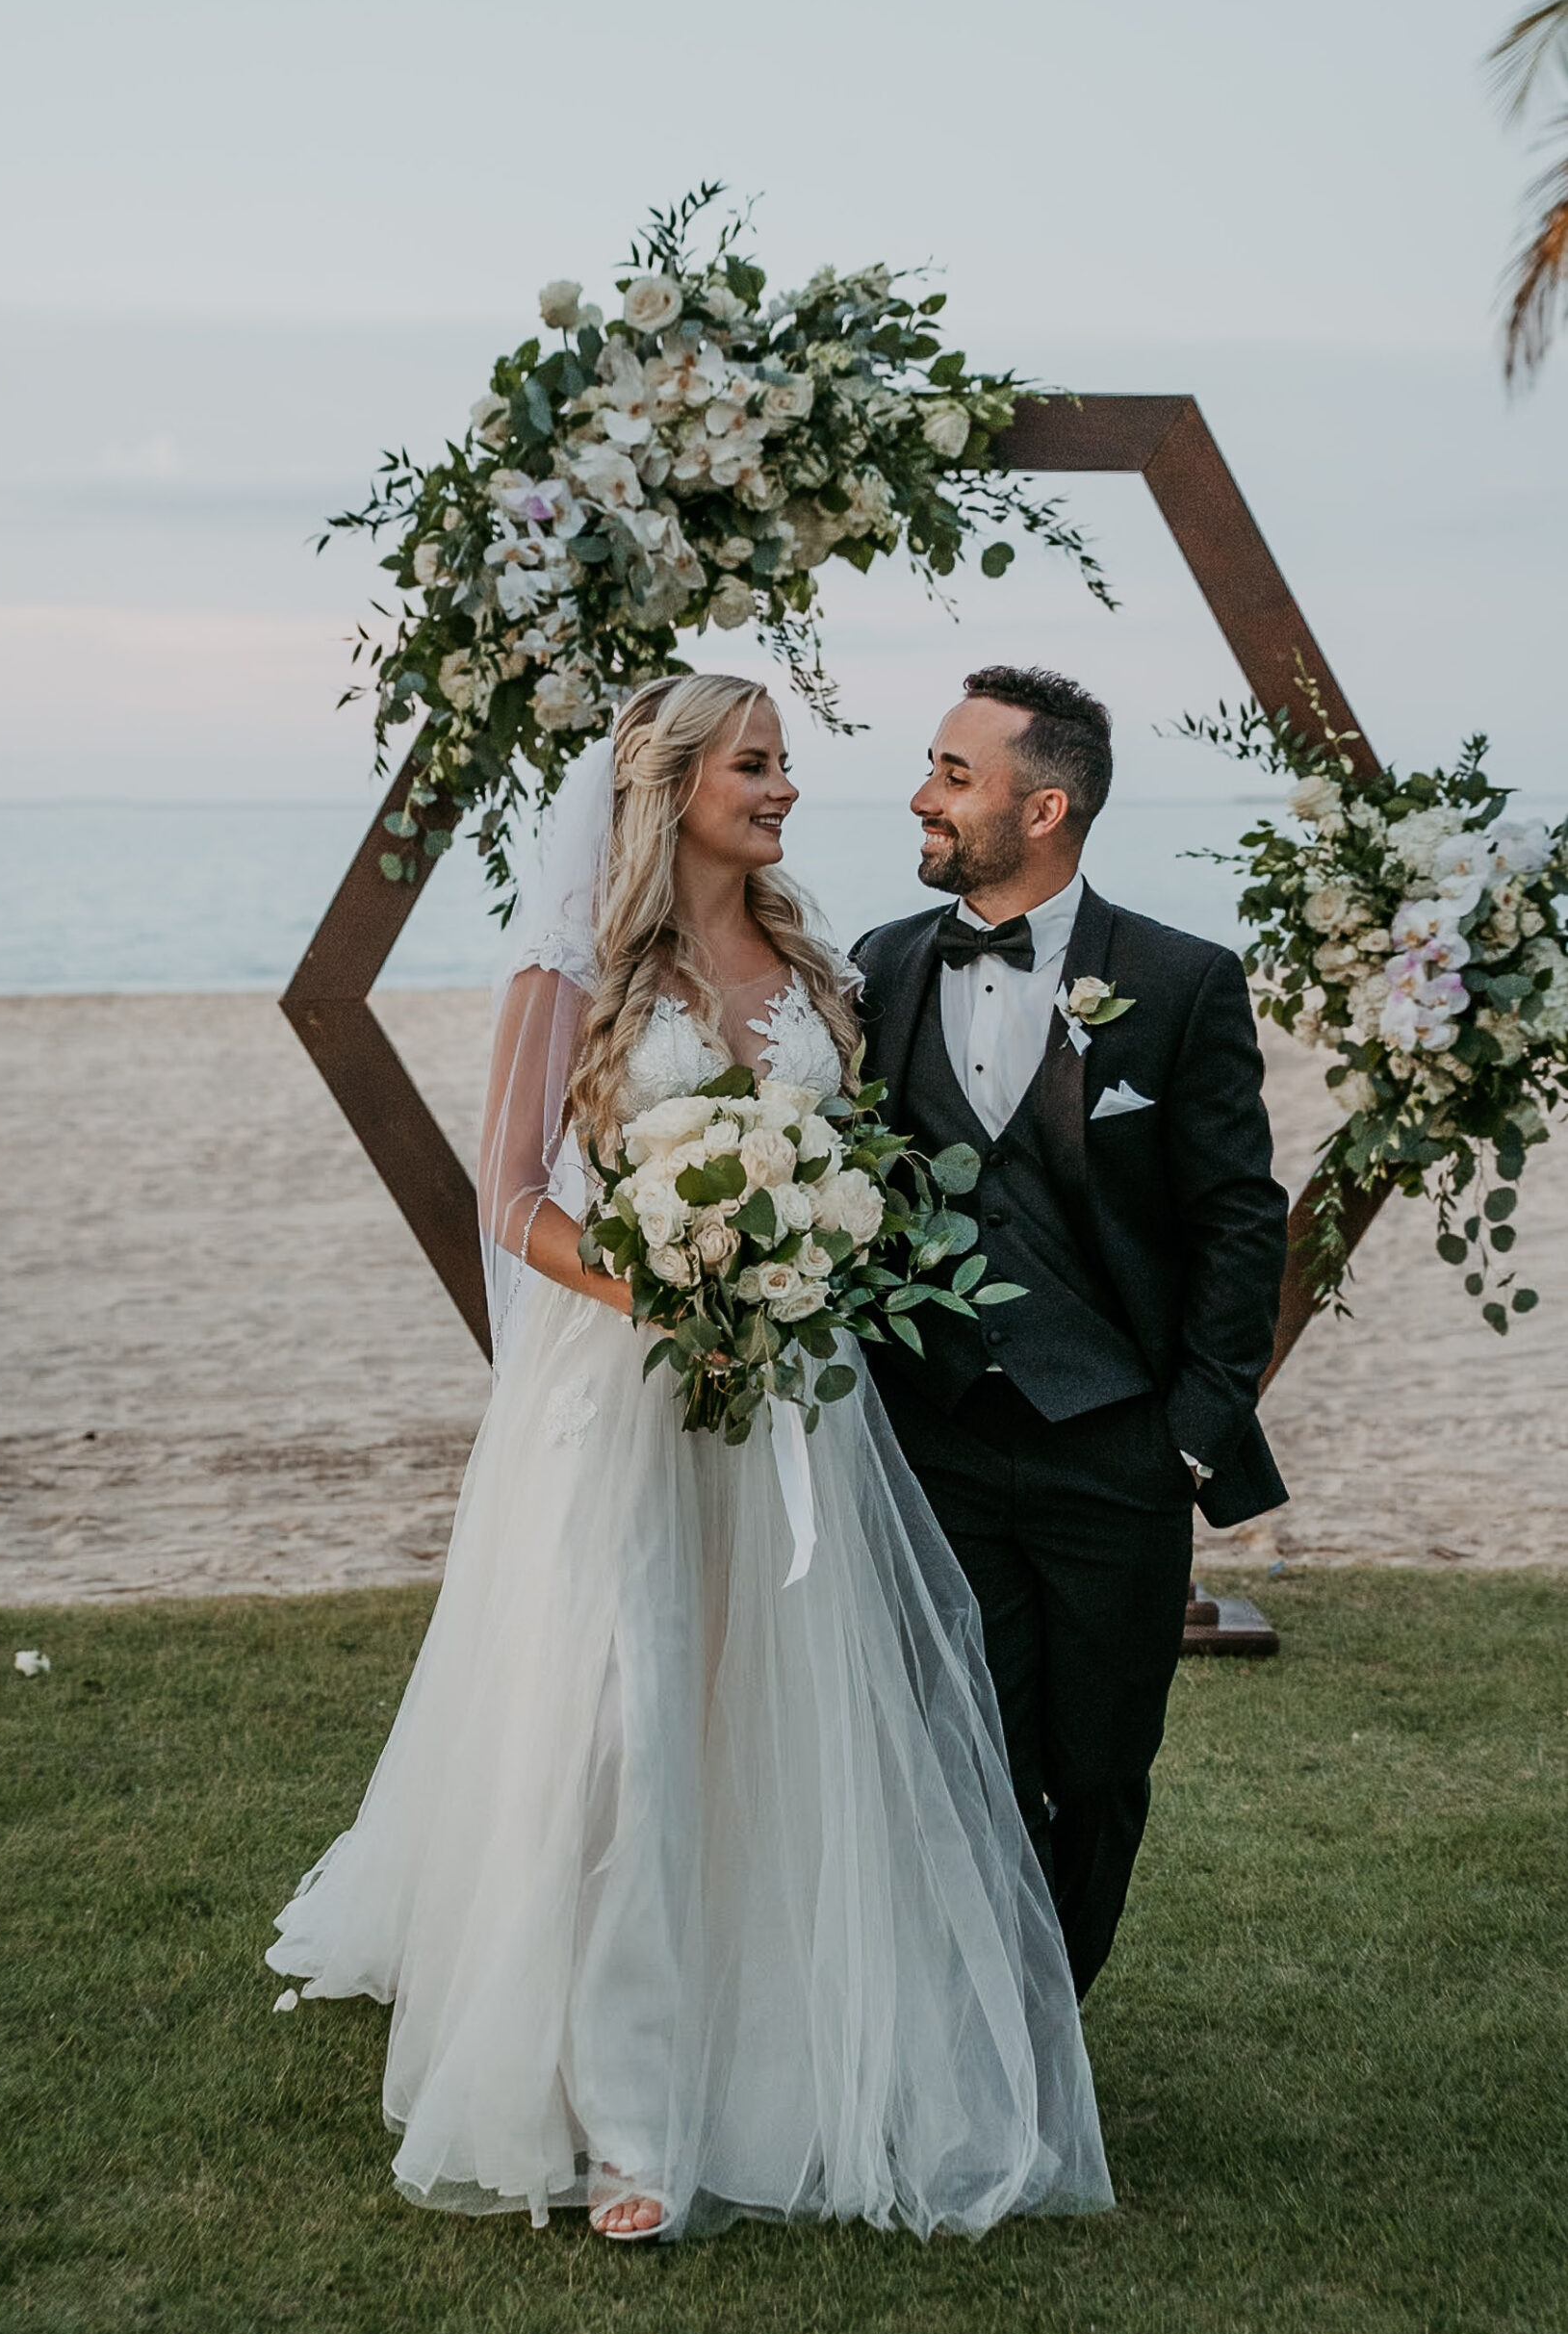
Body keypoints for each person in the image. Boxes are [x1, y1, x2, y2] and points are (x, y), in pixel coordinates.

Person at [268, 672, 1110, 2244]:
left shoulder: (817, 966)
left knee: (787, 1723)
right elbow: (510, 1199)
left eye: (787, 762)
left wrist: (800, 1274)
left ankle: (784, 2060)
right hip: (623, 1402)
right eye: (756, 763)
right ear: (669, 784)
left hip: (795, 1405)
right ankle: (630, 2115)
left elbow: (854, 1171)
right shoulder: (576, 967)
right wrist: (669, 1286)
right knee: (632, 1722)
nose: (786, 788)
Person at [855, 666, 1289, 2002]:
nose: (921, 797)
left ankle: (1053, 2013)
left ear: (1044, 808)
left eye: (953, 774)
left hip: (1117, 1452)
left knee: (1097, 1772)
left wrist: (1191, 1443)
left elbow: (1237, 1221)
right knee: (960, 1750)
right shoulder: (877, 970)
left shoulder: (1181, 981)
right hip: (932, 1445)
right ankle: (988, 2045)